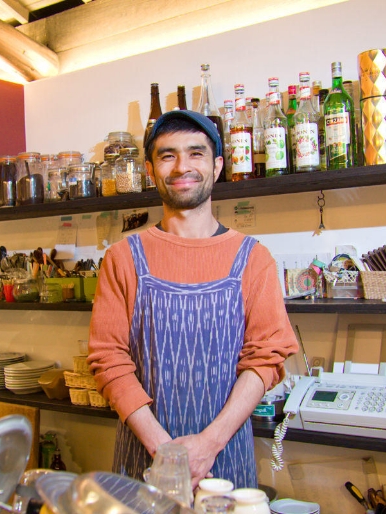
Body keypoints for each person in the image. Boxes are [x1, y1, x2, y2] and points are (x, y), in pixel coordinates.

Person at [87, 110, 299, 489]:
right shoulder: (122, 259)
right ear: (151, 170)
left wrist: (209, 443)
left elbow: (266, 358)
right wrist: (164, 449)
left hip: (224, 461)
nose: (182, 166)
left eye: (196, 153)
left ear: (217, 166)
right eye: (168, 155)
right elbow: (108, 360)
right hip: (144, 461)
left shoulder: (254, 259)